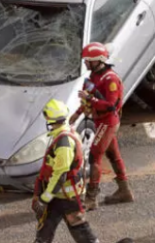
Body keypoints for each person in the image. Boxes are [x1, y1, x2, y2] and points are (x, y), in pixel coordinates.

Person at [69, 42, 132, 210]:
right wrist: (77, 113)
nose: (85, 63)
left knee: (94, 157)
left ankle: (91, 198)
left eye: (88, 60)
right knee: (113, 155)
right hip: (100, 121)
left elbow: (110, 105)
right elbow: (88, 98)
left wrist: (90, 100)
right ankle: (124, 191)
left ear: (97, 60)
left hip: (108, 122)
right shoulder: (92, 77)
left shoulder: (110, 79)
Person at [33, 99, 100, 243]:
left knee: (78, 226)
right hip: (59, 193)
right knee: (46, 227)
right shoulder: (65, 133)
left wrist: (44, 198)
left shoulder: (64, 143)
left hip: (66, 195)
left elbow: (60, 175)